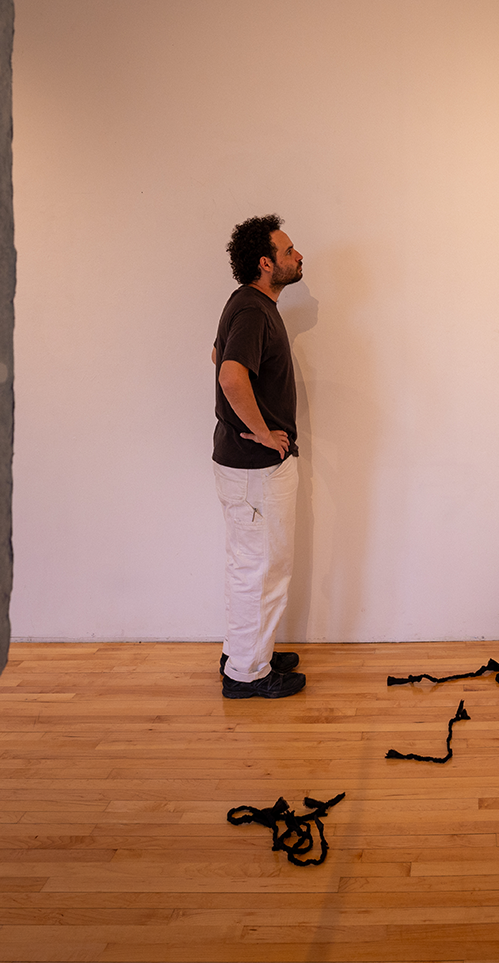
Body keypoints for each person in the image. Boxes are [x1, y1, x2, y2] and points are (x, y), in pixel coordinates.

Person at [210, 215, 308, 698]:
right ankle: (248, 674)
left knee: (247, 563)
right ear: (266, 263)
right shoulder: (253, 310)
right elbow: (229, 375)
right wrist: (265, 433)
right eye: (289, 251)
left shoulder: (244, 304)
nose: (298, 255)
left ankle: (245, 649)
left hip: (242, 468)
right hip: (256, 470)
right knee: (264, 568)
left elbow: (216, 355)